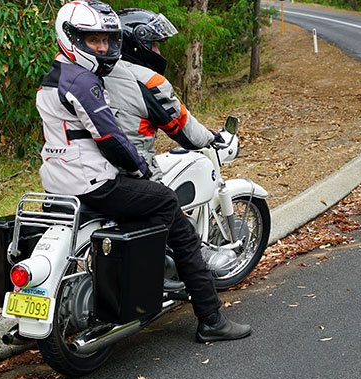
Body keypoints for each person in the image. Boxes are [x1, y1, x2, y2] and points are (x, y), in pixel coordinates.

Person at [36, 0, 250, 343]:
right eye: (94, 40)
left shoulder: (53, 76)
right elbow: (113, 137)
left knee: (144, 211)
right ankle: (211, 319)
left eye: (106, 40)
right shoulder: (89, 81)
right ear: (72, 37)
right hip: (97, 181)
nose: (103, 48)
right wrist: (139, 169)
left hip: (57, 181)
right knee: (168, 209)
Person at [103, 8, 222, 182]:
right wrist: (211, 137)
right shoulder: (148, 81)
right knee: (170, 204)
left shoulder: (98, 71)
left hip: (100, 172)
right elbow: (184, 129)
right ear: (134, 44)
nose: (157, 52)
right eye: (153, 45)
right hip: (136, 173)